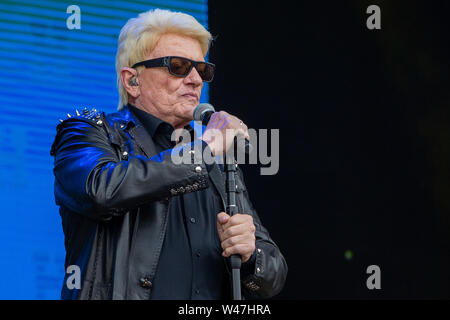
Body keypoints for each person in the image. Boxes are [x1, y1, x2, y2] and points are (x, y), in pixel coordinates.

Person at [50, 8, 287, 300]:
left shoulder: (217, 162)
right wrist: (205, 150)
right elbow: (101, 190)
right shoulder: (87, 133)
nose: (196, 80)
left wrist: (250, 255)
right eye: (178, 66)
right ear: (132, 80)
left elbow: (273, 276)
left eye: (202, 70)